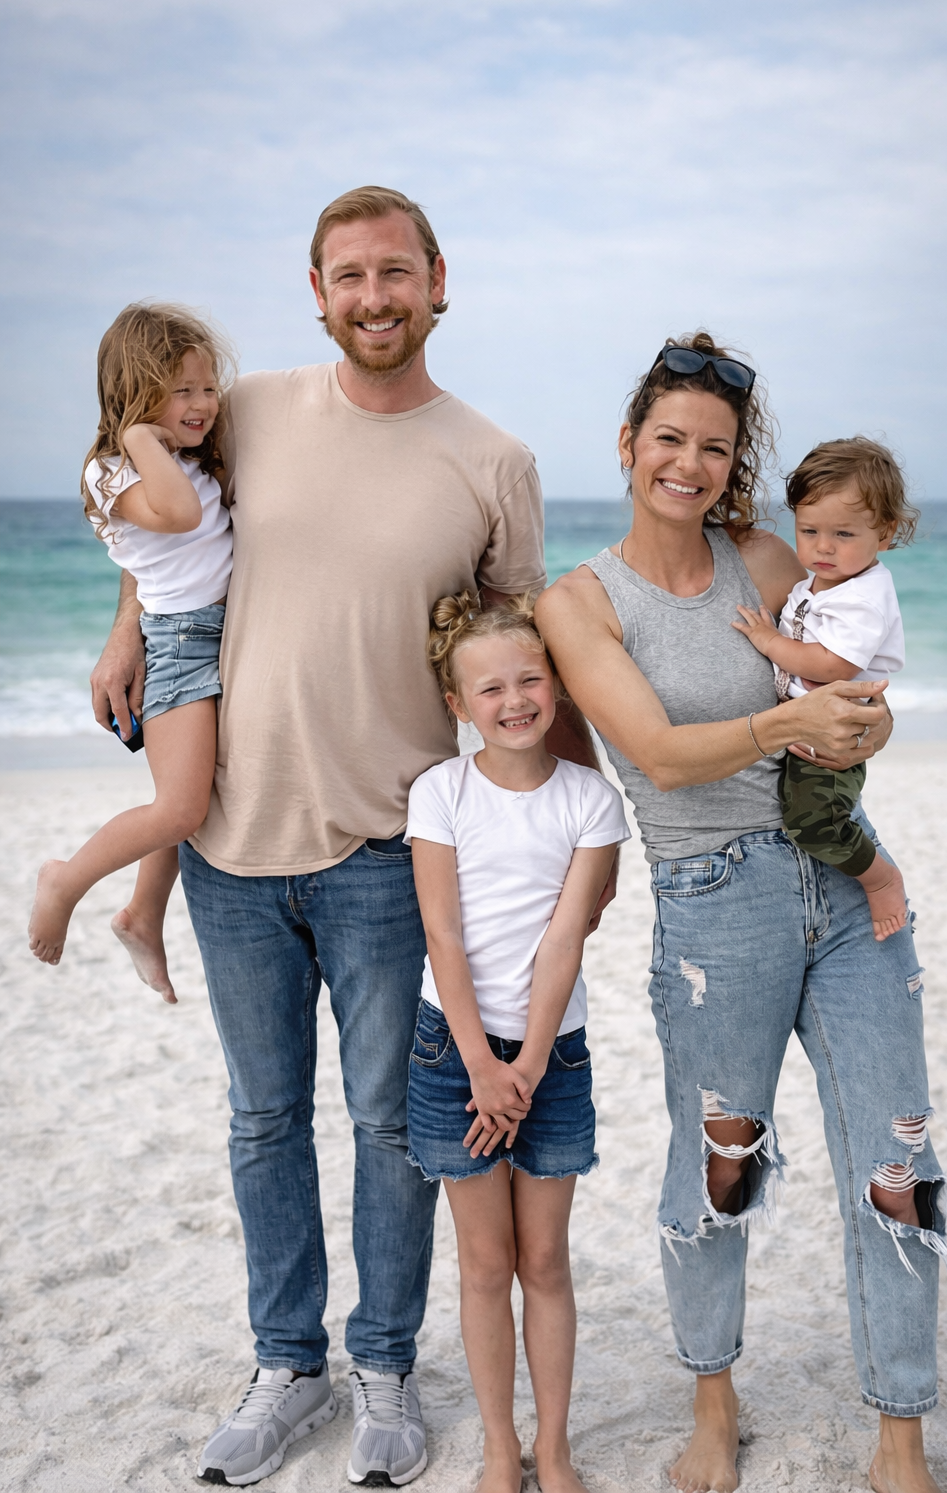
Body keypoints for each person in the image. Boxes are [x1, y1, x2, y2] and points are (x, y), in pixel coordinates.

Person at [88, 187, 607, 1488]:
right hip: (227, 838)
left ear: (439, 280)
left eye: (395, 272)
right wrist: (121, 633)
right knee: (264, 1120)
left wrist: (587, 819)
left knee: (387, 1124)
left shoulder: (494, 462)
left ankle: (382, 1362)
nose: (373, 297)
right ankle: (286, 1367)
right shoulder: (248, 411)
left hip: (393, 844)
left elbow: (516, 665)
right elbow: (161, 529)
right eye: (348, 277)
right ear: (314, 292)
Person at [535, 335, 947, 1493]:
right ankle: (713, 1405)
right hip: (715, 905)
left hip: (838, 877)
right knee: (722, 1165)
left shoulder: (768, 559)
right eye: (667, 439)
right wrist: (787, 729)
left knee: (898, 1159)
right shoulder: (579, 604)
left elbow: (846, 690)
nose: (688, 463)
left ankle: (900, 1439)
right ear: (628, 447)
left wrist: (866, 725)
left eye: (712, 448)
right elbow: (661, 758)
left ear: (732, 465)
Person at [406, 592, 629, 1493]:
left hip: (552, 1058)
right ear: (458, 705)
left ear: (558, 686)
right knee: (485, 1262)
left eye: (530, 678)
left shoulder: (592, 803)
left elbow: (564, 941)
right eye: (489, 687)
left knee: (544, 1260)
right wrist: (481, 1066)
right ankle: (501, 1447)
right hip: (451, 1054)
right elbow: (442, 935)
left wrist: (528, 1067)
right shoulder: (440, 792)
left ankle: (558, 1445)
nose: (514, 699)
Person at [29, 303, 233, 1002]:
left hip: (226, 638)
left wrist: (167, 436)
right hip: (179, 646)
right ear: (136, 394)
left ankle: (142, 913)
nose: (203, 404)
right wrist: (141, 437)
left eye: (208, 388)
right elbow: (178, 518)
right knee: (179, 809)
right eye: (182, 391)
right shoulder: (113, 474)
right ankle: (67, 878)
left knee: (192, 797)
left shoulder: (186, 461)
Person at [731, 437, 918, 941]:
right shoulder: (827, 582)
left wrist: (767, 640)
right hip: (813, 726)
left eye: (843, 533)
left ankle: (880, 880)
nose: (823, 547)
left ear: (886, 530)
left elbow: (831, 665)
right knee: (807, 812)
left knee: (814, 823)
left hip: (832, 732)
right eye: (809, 531)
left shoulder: (864, 597)